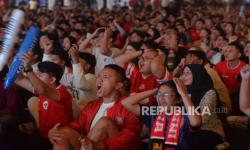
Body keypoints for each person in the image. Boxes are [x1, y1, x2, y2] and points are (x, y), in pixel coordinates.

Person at [48, 64, 142, 150]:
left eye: (105, 77)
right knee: (62, 134)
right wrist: (54, 133)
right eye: (99, 76)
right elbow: (75, 127)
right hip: (88, 146)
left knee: (104, 122)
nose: (99, 80)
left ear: (118, 85)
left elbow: (130, 136)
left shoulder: (128, 105)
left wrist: (100, 145)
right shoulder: (92, 105)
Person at [121, 79, 202, 150]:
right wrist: (155, 90)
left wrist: (183, 93)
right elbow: (126, 103)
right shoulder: (153, 113)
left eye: (166, 95)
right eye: (159, 94)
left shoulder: (186, 116)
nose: (161, 98)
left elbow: (196, 123)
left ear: (178, 99)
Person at [15, 53, 73, 139]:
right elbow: (19, 79)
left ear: (52, 79)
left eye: (40, 75)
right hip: (43, 136)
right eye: (37, 75)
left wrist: (28, 68)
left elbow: (42, 89)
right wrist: (13, 61)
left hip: (59, 139)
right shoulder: (41, 90)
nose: (37, 78)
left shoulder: (62, 92)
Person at [180, 64, 225, 150]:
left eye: (188, 72)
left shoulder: (209, 92)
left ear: (198, 74)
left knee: (189, 141)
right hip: (187, 129)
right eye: (183, 72)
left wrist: (183, 127)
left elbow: (203, 118)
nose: (184, 75)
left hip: (208, 130)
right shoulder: (184, 91)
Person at [215, 41, 246, 114]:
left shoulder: (245, 68)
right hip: (222, 95)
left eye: (230, 51)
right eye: (226, 51)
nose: (226, 53)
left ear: (239, 54)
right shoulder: (219, 66)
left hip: (238, 97)